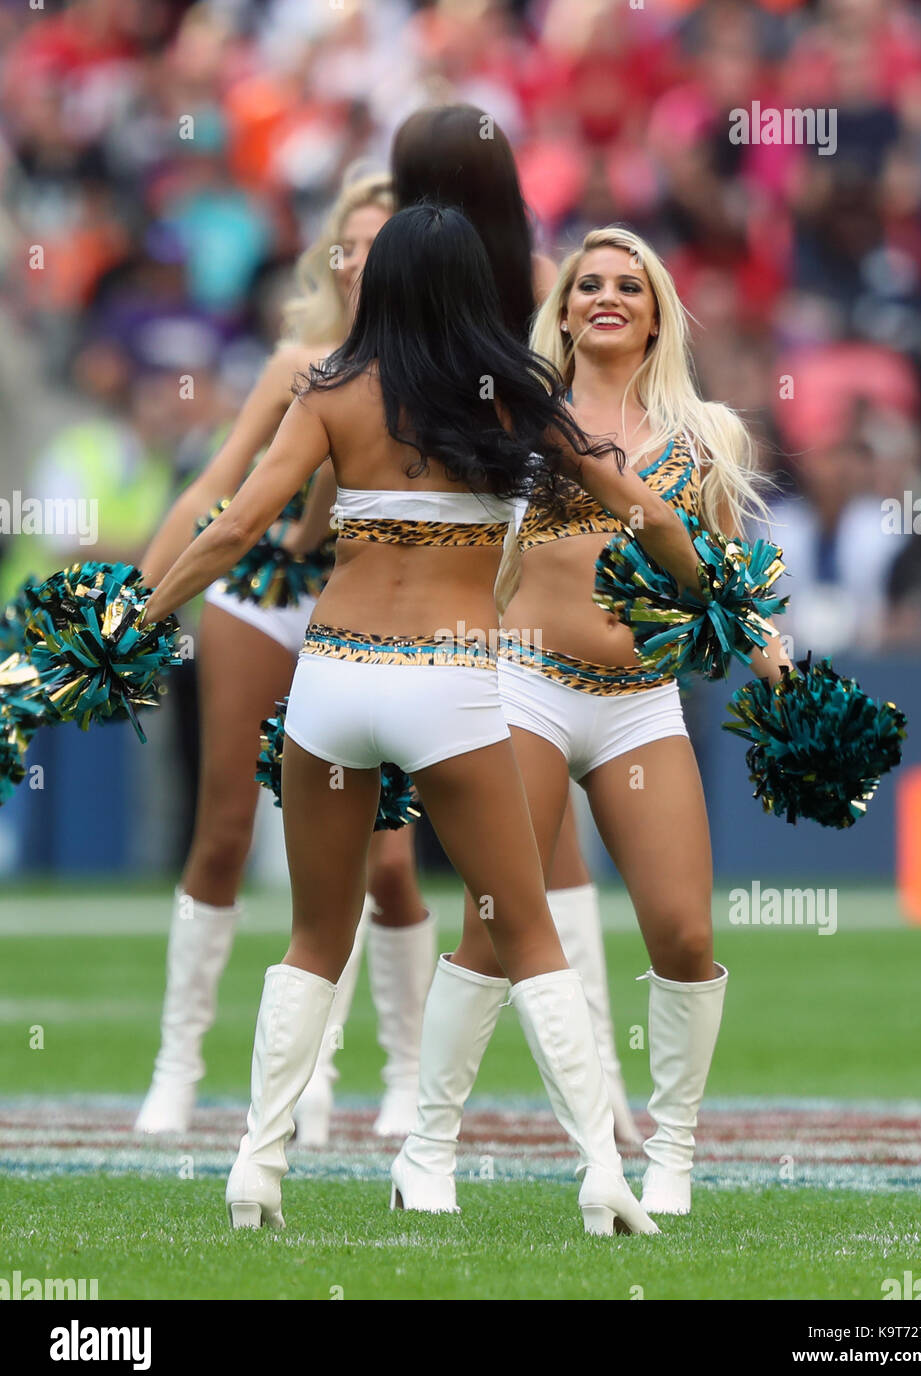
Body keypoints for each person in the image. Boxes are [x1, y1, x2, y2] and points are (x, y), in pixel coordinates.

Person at [140, 204, 703, 1234]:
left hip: (335, 680)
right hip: (448, 682)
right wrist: (714, 594)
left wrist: (141, 614)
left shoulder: (328, 392)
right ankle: (601, 1175)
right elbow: (652, 514)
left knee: (314, 934)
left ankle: (255, 1168)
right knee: (526, 931)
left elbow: (238, 526)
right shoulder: (517, 400)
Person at [394, 226, 790, 1218]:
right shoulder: (516, 415)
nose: (606, 296)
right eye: (587, 285)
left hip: (638, 703)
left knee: (684, 931)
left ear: (655, 311)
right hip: (523, 685)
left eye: (628, 284)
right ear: (563, 309)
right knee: (494, 919)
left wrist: (764, 643)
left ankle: (674, 1155)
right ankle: (425, 1151)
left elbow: (718, 576)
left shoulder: (707, 436)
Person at [295, 105, 641, 1142]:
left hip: (457, 574)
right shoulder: (506, 271)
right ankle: (553, 1105)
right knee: (529, 864)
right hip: (506, 568)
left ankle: (397, 1094)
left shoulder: (497, 274)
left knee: (440, 864)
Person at [134, 169, 436, 1144]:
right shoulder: (294, 367)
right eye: (349, 243)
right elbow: (215, 489)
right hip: (262, 591)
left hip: (370, 606)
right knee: (222, 824)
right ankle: (177, 1066)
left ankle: (383, 1073)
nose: (361, 260)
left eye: (381, 242)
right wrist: (138, 600)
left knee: (385, 857)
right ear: (332, 258)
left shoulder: (441, 372)